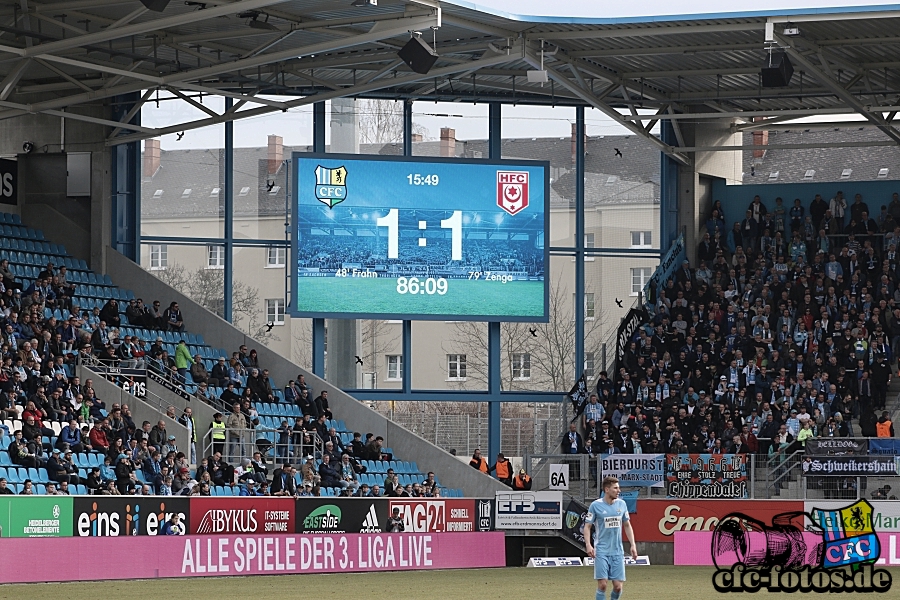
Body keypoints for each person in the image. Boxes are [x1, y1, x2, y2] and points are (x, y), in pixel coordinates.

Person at [585, 476, 638, 600]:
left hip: (617, 551)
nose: (618, 490)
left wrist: (633, 545)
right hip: (601, 551)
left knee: (618, 587)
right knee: (603, 585)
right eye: (615, 488)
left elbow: (627, 525)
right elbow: (587, 527)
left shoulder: (622, 504)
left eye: (619, 488)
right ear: (607, 489)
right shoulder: (595, 505)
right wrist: (588, 544)